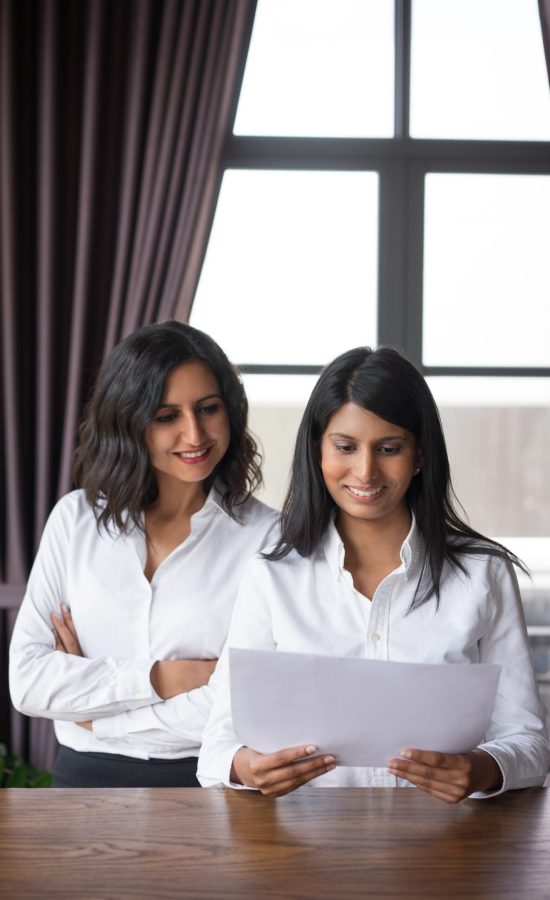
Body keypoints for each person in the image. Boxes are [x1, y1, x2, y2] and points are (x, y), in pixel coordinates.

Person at [197, 346, 550, 801]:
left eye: (389, 448)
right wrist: (248, 767)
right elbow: (217, 747)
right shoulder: (272, 577)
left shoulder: (483, 574)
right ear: (318, 451)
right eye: (345, 447)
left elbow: (530, 742)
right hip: (302, 850)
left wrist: (481, 770)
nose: (365, 471)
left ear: (420, 454)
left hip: (449, 850)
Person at [9, 321, 278, 787]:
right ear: (130, 422)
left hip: (206, 782)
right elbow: (28, 681)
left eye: (208, 408)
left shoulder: (267, 536)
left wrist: (96, 711)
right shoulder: (74, 521)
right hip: (80, 783)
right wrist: (160, 679)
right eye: (166, 415)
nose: (194, 434)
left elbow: (247, 703)